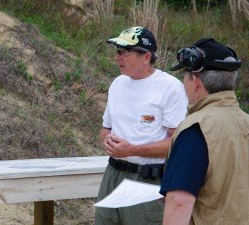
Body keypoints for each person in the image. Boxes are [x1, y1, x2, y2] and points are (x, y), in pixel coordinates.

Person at [95, 26, 188, 225]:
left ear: (146, 56)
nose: (117, 58)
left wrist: (132, 149)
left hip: (146, 179)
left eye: (124, 53)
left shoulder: (170, 87)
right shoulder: (118, 84)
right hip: (112, 173)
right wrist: (107, 141)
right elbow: (105, 129)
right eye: (117, 52)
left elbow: (179, 142)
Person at [160, 38, 248, 225]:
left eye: (184, 74)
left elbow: (179, 203)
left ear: (196, 82)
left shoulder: (195, 129)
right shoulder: (245, 121)